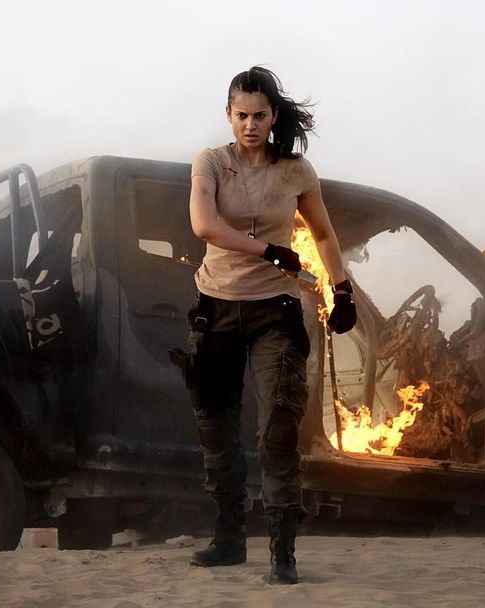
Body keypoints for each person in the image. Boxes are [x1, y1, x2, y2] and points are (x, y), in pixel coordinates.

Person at [185, 66, 356, 585]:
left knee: (279, 428)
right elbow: (204, 225)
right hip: (216, 307)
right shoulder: (211, 162)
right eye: (241, 115)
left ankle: (283, 551)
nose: (250, 125)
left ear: (273, 115)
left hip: (274, 310)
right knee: (217, 429)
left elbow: (323, 234)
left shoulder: (296, 171)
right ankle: (229, 539)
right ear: (228, 115)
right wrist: (269, 251)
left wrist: (342, 289)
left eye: (259, 116)